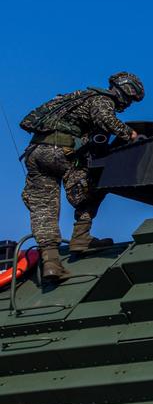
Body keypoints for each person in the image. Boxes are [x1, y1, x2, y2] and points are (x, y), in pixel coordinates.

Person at [19, 72, 143, 282]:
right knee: (95, 188)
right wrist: (131, 135)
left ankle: (51, 262)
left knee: (43, 207)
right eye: (130, 99)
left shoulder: (77, 98)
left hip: (36, 153)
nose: (128, 104)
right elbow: (105, 118)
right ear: (125, 91)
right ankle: (81, 237)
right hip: (61, 151)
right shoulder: (102, 99)